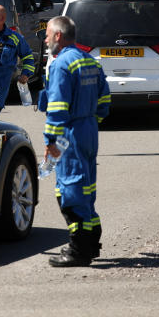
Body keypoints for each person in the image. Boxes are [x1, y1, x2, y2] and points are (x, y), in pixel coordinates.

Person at [39, 15, 110, 267]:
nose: (45, 40)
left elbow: (57, 109)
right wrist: (92, 121)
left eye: (47, 35)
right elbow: (104, 99)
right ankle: (91, 241)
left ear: (59, 35)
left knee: (69, 189)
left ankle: (79, 249)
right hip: (88, 129)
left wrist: (51, 142)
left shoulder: (61, 64)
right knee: (87, 187)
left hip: (69, 132)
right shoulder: (89, 60)